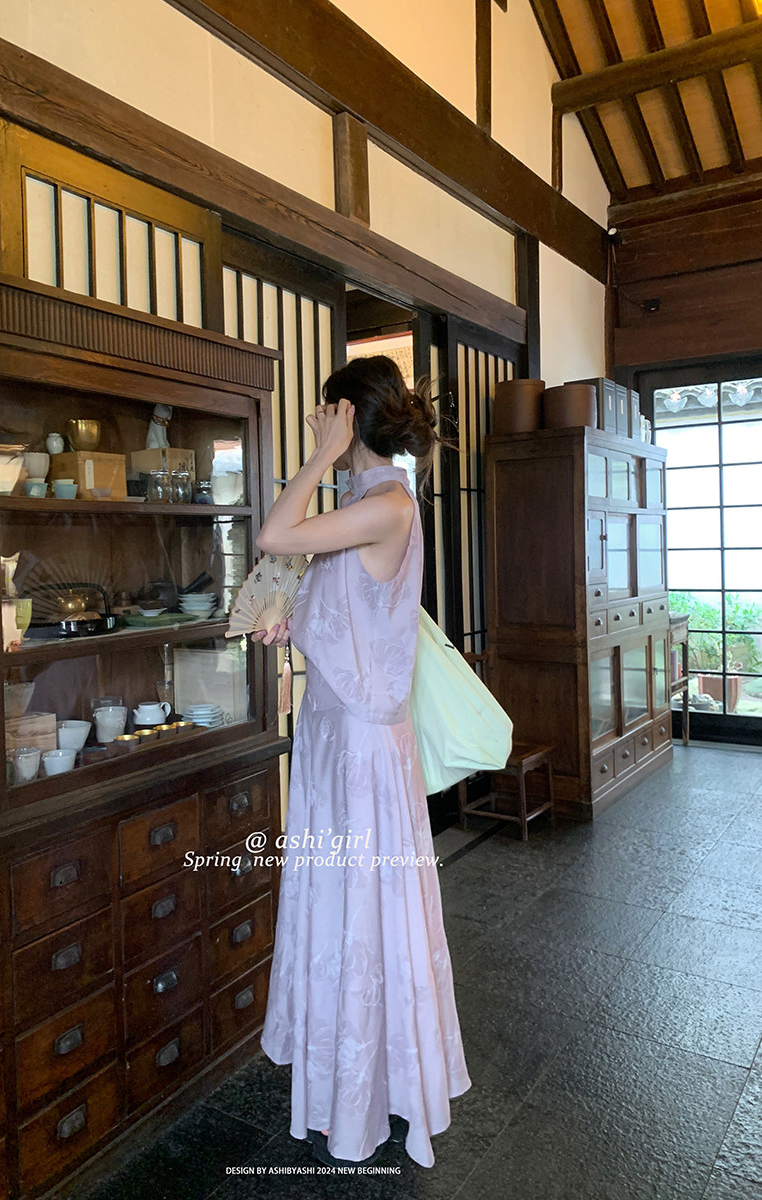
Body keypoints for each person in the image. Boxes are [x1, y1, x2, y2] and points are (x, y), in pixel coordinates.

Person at [253, 355, 471, 1169]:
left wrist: (319, 452)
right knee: (342, 911)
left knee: (366, 915)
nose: (318, 424)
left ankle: (369, 1098)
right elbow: (346, 607)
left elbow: (275, 534)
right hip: (332, 737)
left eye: (326, 413)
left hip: (363, 750)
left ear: (348, 417)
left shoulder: (388, 505)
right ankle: (346, 1085)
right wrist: (293, 621)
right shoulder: (363, 506)